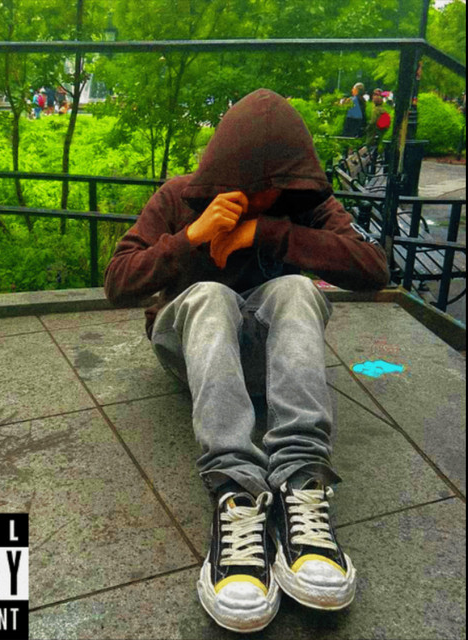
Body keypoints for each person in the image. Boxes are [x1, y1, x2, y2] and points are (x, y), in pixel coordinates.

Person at [104, 89, 389, 633]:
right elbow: (118, 282)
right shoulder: (180, 196)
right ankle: (236, 489)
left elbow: (373, 268)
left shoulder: (303, 204)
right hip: (195, 351)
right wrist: (191, 237)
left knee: (295, 289)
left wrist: (268, 232)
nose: (263, 198)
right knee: (210, 295)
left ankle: (302, 479)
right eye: (252, 188)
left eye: (274, 188)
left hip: (266, 359)